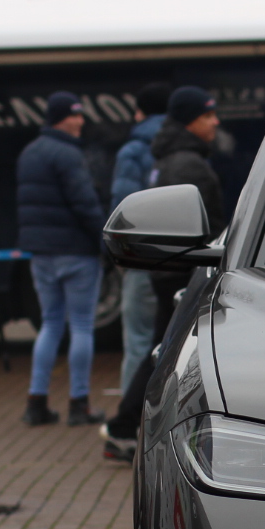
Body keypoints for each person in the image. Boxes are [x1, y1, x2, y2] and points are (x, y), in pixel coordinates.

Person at [101, 86, 223, 462]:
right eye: (207, 115)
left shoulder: (174, 157)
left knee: (164, 352)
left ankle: (124, 427)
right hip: (186, 272)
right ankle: (124, 428)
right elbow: (204, 224)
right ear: (190, 121)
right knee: (168, 355)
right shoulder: (188, 164)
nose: (215, 122)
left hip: (174, 269)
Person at [16, 91, 108, 427]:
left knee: (50, 324)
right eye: (75, 115)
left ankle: (36, 402)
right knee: (82, 325)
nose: (81, 121)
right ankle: (78, 404)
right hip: (75, 252)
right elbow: (84, 203)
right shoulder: (68, 154)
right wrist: (105, 240)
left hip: (41, 253)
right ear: (59, 118)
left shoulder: (28, 153)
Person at [109, 82, 171, 395]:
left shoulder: (132, 151)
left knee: (138, 341)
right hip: (180, 259)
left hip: (141, 259)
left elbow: (123, 209)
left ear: (139, 112)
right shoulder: (183, 146)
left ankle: (132, 421)